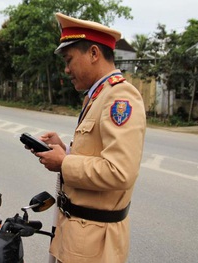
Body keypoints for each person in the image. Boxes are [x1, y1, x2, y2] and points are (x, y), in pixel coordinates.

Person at [34, 13, 146, 263]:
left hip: (94, 243)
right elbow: (96, 155)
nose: (66, 69)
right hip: (79, 234)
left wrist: (64, 163)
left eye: (69, 59)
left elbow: (120, 171)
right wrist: (64, 151)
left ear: (94, 53)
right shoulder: (97, 96)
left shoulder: (120, 98)